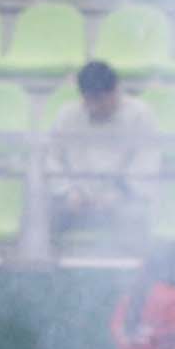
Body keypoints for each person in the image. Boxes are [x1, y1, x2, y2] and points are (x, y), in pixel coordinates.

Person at [42, 60, 157, 247]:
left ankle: (129, 270)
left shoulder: (140, 115)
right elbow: (52, 159)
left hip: (121, 200)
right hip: (76, 201)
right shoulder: (67, 116)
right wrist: (69, 191)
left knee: (134, 218)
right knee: (44, 215)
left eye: (101, 100)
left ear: (116, 90)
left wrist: (119, 193)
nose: (95, 107)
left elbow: (146, 161)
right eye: (90, 100)